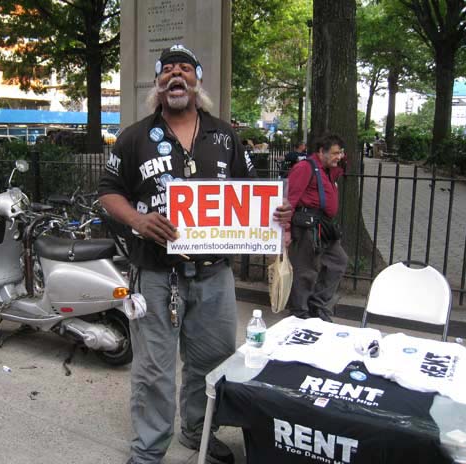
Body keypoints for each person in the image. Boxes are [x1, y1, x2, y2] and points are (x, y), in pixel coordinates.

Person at [97, 44, 291, 464]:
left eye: (185, 68)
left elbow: (251, 192)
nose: (176, 74)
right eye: (167, 69)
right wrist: (138, 221)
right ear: (158, 83)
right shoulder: (134, 137)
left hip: (214, 274)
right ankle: (148, 450)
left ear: (197, 80)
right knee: (153, 369)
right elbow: (108, 192)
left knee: (212, 361)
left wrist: (275, 216)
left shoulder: (224, 135)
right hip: (155, 274)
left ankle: (196, 432)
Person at [285, 133, 348, 323]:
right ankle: (300, 313)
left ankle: (317, 305)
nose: (339, 157)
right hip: (307, 226)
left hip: (323, 226)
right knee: (305, 270)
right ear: (322, 151)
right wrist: (286, 230)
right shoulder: (305, 168)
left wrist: (338, 161)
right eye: (335, 153)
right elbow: (290, 200)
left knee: (338, 261)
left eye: (341, 153)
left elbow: (343, 166)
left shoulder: (328, 169)